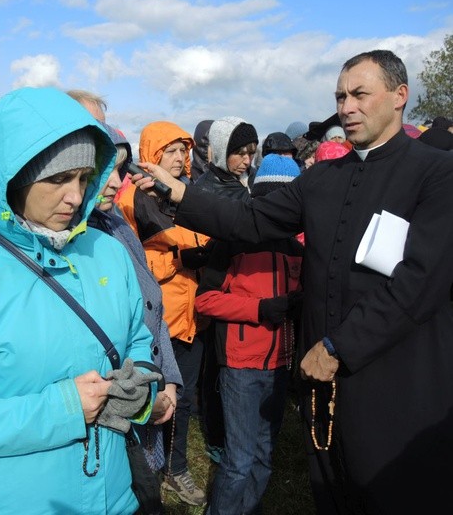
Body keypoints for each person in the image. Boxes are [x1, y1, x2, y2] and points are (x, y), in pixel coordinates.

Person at [131, 49, 453, 514]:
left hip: (397, 376)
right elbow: (251, 218)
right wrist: (180, 193)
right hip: (322, 381)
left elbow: (419, 283)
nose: (346, 107)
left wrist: (340, 346)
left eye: (360, 94)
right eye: (340, 96)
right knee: (331, 488)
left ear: (400, 96)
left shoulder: (437, 174)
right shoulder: (322, 178)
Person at [0, 87, 161, 515]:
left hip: (115, 498)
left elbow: (135, 337)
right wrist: (61, 409)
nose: (76, 196)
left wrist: (141, 385)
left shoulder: (107, 251)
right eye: (57, 179)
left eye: (82, 178)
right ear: (15, 177)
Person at [67, 88, 183, 473]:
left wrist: (167, 382)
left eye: (120, 169)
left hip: (145, 394)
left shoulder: (118, 224)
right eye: (105, 168)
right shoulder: (64, 241)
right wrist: (143, 401)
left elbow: (151, 307)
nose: (117, 183)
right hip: (103, 424)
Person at [196, 153, 303, 515]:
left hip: (280, 363)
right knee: (239, 460)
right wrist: (259, 309)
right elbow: (206, 301)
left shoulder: (296, 247)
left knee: (263, 456)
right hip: (241, 365)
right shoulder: (233, 242)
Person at [117, 121, 209, 507]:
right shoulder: (132, 201)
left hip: (189, 314)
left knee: (181, 400)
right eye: (170, 150)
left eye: (183, 150)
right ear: (152, 155)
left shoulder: (185, 197)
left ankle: (174, 467)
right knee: (153, 402)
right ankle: (154, 470)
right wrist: (178, 258)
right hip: (156, 323)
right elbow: (134, 262)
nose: (179, 157)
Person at [192, 117, 258, 464]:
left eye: (250, 153)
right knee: (217, 366)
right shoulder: (210, 188)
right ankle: (216, 434)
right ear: (220, 151)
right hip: (217, 283)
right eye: (238, 153)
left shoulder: (237, 183)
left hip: (234, 282)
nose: (246, 160)